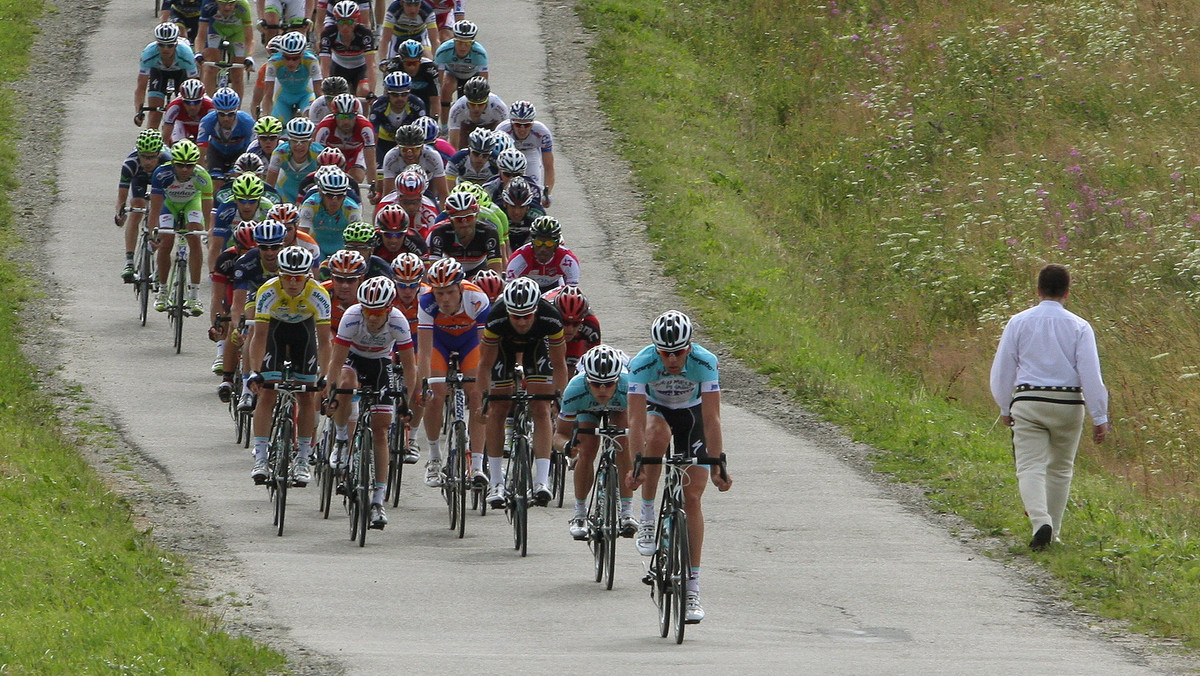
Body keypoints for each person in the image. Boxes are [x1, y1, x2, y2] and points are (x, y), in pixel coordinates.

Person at [989, 263, 1110, 551]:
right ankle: (1052, 532)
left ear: (1038, 289)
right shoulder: (1080, 326)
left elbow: (1003, 369)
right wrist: (1100, 415)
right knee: (1060, 469)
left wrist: (1005, 407)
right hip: (1068, 403)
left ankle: (1039, 520)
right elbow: (1090, 374)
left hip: (1028, 401)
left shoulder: (1018, 322)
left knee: (1030, 465)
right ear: (1068, 292)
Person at [626, 310, 732, 624]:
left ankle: (692, 589)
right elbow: (634, 419)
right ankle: (646, 516)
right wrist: (637, 462)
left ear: (690, 346)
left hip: (693, 416)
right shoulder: (642, 363)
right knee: (655, 435)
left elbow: (712, 418)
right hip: (657, 411)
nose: (672, 359)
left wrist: (717, 463)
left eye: (678, 352)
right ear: (655, 349)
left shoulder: (705, 361)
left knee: (693, 498)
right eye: (665, 353)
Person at [325, 276, 417, 529]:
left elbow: (409, 366)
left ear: (388, 309)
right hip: (352, 359)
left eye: (378, 313)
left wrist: (406, 400)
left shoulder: (398, 321)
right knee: (345, 382)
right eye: (368, 311)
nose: (372, 318)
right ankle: (342, 440)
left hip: (380, 364)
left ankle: (378, 501)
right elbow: (336, 361)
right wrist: (330, 393)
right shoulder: (353, 316)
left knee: (381, 429)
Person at [474, 276, 568, 508]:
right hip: (503, 351)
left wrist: (559, 398)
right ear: (508, 311)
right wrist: (483, 400)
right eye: (516, 316)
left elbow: (559, 363)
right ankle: (496, 482)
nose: (522, 321)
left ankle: (541, 481)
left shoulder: (550, 317)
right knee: (498, 408)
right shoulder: (496, 317)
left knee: (541, 407)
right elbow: (485, 364)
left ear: (536, 309)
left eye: (527, 315)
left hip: (536, 348)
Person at [247, 245, 331, 487]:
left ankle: (303, 457)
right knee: (267, 394)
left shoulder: (318, 294)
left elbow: (325, 342)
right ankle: (261, 457)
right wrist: (255, 371)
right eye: (287, 277)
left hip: (303, 334)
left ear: (308, 276)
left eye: (298, 278)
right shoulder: (267, 291)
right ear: (279, 275)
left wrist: (324, 376)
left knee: (306, 396)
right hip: (275, 331)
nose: (293, 283)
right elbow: (259, 337)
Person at [414, 257, 490, 487]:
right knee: (435, 393)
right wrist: (423, 384)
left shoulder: (477, 299)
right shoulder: (426, 302)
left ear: (460, 287)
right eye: (440, 293)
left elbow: (485, 351)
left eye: (449, 292)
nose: (445, 300)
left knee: (477, 395)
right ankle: (435, 458)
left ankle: (476, 465)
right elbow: (425, 352)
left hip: (470, 344)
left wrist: (486, 387)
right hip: (440, 343)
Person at [554, 344, 636, 540]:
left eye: (608, 384)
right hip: (587, 407)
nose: (602, 390)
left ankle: (627, 512)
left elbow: (642, 426)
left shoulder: (630, 386)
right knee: (587, 449)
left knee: (623, 444)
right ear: (586, 380)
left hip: (620, 406)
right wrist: (567, 446)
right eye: (596, 384)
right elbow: (559, 435)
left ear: (617, 380)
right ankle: (580, 514)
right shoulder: (575, 388)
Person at [149, 139, 214, 315]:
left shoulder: (202, 176)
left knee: (194, 236)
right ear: (172, 163)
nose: (185, 169)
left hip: (191, 203)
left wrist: (209, 231)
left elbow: (208, 211)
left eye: (189, 165)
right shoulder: (161, 174)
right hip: (168, 204)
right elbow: (154, 209)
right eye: (180, 165)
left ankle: (194, 295)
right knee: (166, 240)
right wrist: (152, 232)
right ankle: (162, 292)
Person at [116, 129, 172, 282]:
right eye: (144, 157)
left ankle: (160, 262)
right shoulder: (130, 163)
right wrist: (120, 214)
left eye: (152, 157)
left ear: (159, 154)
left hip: (160, 180)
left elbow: (171, 198)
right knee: (137, 208)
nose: (147, 162)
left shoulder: (168, 162)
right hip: (138, 179)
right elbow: (122, 196)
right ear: (138, 154)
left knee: (163, 212)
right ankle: (129, 262)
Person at [134, 23, 200, 131]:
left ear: (176, 44)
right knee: (155, 114)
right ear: (156, 44)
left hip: (181, 73)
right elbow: (141, 87)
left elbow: (195, 84)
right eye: (161, 45)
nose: (165, 49)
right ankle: (151, 140)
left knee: (185, 110)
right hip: (159, 73)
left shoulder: (186, 54)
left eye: (170, 45)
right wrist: (138, 112)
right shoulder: (148, 53)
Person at [425, 190, 502, 277]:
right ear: (450, 219)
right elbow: (433, 271)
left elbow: (496, 272)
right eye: (459, 220)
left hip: (478, 270)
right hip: (449, 271)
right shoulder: (439, 233)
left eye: (469, 218)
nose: (465, 224)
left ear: (476, 215)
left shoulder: (489, 233)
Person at [494, 101, 554, 206]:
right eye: (518, 124)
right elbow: (496, 162)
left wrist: (546, 194)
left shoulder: (542, 132)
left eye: (527, 125)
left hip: (530, 152)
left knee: (533, 188)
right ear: (511, 122)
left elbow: (549, 167)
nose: (522, 129)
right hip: (508, 151)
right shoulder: (502, 130)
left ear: (532, 123)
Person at [313, 92, 378, 187]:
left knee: (355, 178)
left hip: (355, 153)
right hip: (332, 155)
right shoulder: (324, 127)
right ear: (334, 115)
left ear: (356, 115)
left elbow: (370, 162)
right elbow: (317, 159)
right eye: (342, 117)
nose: (346, 121)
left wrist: (373, 188)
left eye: (350, 116)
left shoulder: (365, 127)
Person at [197, 87, 257, 189]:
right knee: (216, 183)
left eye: (230, 114)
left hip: (239, 153)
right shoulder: (207, 121)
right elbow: (201, 151)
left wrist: (239, 169)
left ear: (236, 111)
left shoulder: (247, 122)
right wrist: (200, 171)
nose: (226, 118)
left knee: (238, 182)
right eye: (221, 114)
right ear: (216, 111)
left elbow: (251, 150)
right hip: (216, 152)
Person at [317, 1, 378, 99]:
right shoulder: (328, 34)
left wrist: (371, 92)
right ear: (335, 20)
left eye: (349, 22)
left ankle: (363, 114)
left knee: (364, 91)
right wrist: (326, 87)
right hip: (338, 67)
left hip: (360, 68)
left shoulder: (365, 34)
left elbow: (371, 65)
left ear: (356, 20)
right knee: (333, 95)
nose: (345, 26)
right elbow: (324, 66)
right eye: (341, 21)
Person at [198, 0, 255, 102]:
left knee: (237, 74)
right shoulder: (208, 5)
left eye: (231, 3)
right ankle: (208, 106)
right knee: (210, 68)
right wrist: (198, 53)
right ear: (216, 2)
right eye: (223, 4)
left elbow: (249, 39)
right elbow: (201, 35)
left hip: (237, 32)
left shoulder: (243, 6)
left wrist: (249, 56)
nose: (227, 7)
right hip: (216, 29)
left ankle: (236, 112)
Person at [505, 215, 579, 292]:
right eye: (538, 243)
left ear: (557, 245)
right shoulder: (520, 257)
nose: (543, 249)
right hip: (527, 288)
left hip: (554, 287)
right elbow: (509, 289)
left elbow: (572, 290)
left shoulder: (567, 258)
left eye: (549, 243)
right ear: (532, 243)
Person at [433, 19, 487, 125]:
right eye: (459, 42)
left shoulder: (480, 53)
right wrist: (441, 99)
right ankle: (444, 126)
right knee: (446, 87)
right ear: (454, 40)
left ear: (473, 42)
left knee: (475, 97)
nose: (463, 46)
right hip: (452, 74)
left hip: (472, 75)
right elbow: (438, 80)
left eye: (467, 43)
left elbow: (484, 82)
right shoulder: (443, 50)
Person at [298, 167, 363, 254]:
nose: (334, 201)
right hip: (317, 249)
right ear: (321, 193)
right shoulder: (310, 204)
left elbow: (356, 241)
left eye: (339, 196)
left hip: (342, 251)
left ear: (345, 195)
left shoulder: (352, 210)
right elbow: (302, 234)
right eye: (329, 195)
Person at [263, 32, 323, 124]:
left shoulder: (311, 61)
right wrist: (266, 118)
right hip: (283, 98)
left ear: (302, 54)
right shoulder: (274, 62)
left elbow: (318, 93)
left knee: (310, 120)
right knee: (278, 125)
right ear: (282, 54)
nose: (291, 62)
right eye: (286, 58)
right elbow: (268, 95)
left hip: (305, 95)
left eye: (295, 58)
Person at [267, 116, 325, 203]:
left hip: (309, 192)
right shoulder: (280, 153)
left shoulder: (319, 154)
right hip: (285, 191)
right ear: (288, 141)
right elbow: (269, 186)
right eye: (294, 141)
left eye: (303, 141)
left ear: (311, 142)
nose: (299, 145)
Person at [445, 76, 505, 151]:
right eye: (472, 104)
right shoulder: (457, 108)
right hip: (466, 127)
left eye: (480, 104)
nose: (476, 108)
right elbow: (454, 144)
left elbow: (505, 137)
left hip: (491, 127)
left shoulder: (499, 107)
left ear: (487, 100)